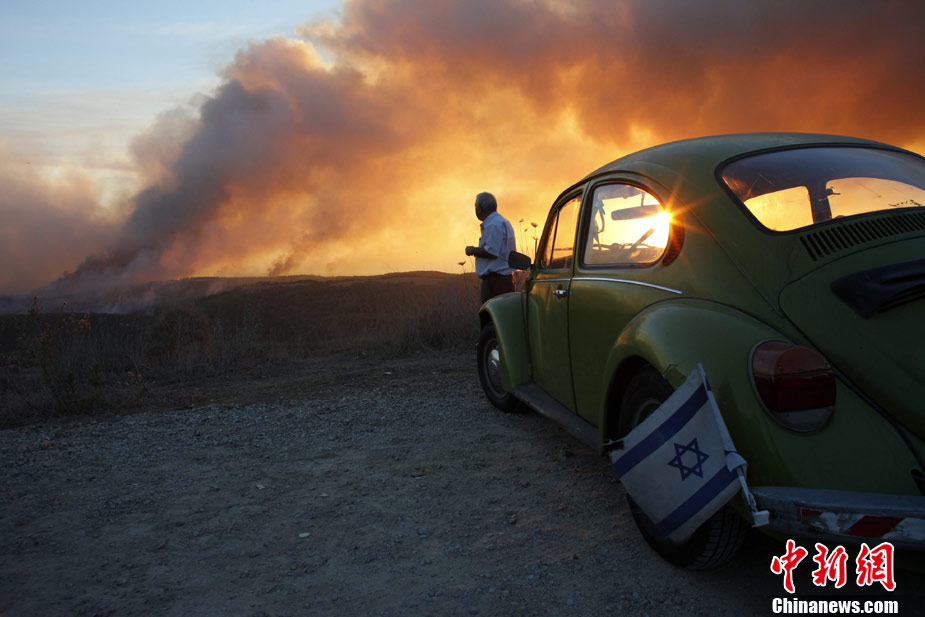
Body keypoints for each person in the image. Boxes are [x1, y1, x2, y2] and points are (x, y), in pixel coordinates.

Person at [465, 192, 516, 304]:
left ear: (480, 209)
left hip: (495, 283)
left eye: (475, 206)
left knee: (491, 318)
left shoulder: (493, 225)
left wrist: (472, 250)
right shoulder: (502, 222)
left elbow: (491, 252)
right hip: (504, 280)